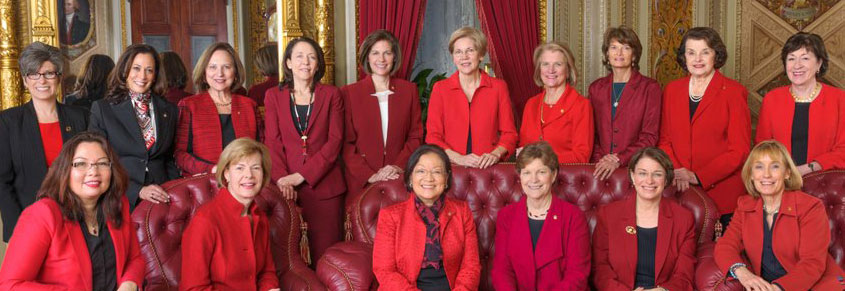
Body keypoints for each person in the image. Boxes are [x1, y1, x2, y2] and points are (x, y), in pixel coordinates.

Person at [0, 131, 144, 290]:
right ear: (65, 170)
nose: (93, 172)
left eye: (102, 163)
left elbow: (135, 258)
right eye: (81, 164)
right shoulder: (42, 214)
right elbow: (10, 285)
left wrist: (129, 284)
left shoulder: (118, 205)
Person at [715, 140, 845, 290]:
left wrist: (777, 288)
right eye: (759, 167)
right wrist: (742, 273)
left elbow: (812, 264)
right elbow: (725, 245)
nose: (766, 174)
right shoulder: (745, 206)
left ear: (787, 173)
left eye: (775, 166)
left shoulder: (810, 207)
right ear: (751, 174)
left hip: (815, 285)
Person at [658, 27, 751, 227]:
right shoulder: (672, 91)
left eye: (705, 52)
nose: (697, 59)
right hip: (679, 189)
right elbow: (664, 140)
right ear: (684, 57)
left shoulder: (734, 92)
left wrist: (698, 176)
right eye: (691, 53)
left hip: (722, 195)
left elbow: (739, 150)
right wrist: (678, 171)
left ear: (716, 55)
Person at [264, 37, 345, 264]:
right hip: (286, 190)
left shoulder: (331, 95)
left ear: (318, 64)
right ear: (288, 63)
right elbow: (273, 141)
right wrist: (282, 180)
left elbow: (335, 142)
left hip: (325, 188)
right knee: (289, 259)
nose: (305, 62)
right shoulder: (273, 96)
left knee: (326, 258)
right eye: (299, 56)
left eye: (312, 57)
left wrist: (301, 176)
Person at [0, 42, 88, 243]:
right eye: (34, 74)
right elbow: (2, 182)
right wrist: (18, 229)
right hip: (28, 223)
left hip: (76, 219)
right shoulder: (8, 122)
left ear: (58, 77)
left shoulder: (80, 118)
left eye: (49, 73)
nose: (42, 80)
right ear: (25, 80)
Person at [372, 144, 481, 290]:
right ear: (410, 177)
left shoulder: (462, 212)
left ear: (446, 178)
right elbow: (385, 271)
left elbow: (471, 267)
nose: (429, 178)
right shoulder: (390, 216)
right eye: (421, 171)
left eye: (436, 172)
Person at [180, 138, 280, 291]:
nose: (249, 175)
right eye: (240, 168)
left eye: (256, 168)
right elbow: (193, 288)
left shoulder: (260, 218)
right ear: (226, 174)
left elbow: (267, 272)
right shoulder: (205, 221)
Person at [592, 147, 697, 290]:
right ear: (632, 176)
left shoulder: (684, 219)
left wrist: (663, 290)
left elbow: (684, 275)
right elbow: (600, 269)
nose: (649, 181)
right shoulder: (608, 215)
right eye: (642, 173)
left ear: (666, 179)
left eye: (657, 174)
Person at [89, 44, 179, 208]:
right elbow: (98, 161)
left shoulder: (169, 110)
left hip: (163, 196)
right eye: (136, 68)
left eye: (149, 70)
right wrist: (137, 190)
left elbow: (169, 159)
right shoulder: (103, 109)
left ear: (155, 75)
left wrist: (173, 189)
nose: (142, 76)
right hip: (121, 197)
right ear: (125, 70)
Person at [491, 141, 590, 290]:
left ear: (554, 174)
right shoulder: (506, 216)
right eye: (527, 173)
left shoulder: (574, 217)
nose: (534, 180)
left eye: (541, 172)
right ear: (520, 177)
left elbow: (577, 275)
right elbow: (502, 271)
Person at [342, 30, 423, 198]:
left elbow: (415, 136)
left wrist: (397, 166)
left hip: (399, 178)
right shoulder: (349, 93)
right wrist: (369, 175)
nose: (381, 59)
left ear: (394, 57)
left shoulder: (409, 90)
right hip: (362, 182)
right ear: (367, 57)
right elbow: (346, 144)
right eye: (375, 53)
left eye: (387, 53)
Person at [426, 27, 518, 169]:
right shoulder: (440, 89)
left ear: (481, 55)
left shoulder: (498, 87)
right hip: (451, 168)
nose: (464, 57)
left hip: (488, 169)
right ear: (453, 57)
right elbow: (433, 137)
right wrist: (459, 159)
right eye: (458, 52)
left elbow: (510, 134)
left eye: (470, 50)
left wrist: (495, 154)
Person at [755, 32, 845, 175]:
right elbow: (763, 147)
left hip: (824, 181)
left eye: (805, 58)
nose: (797, 65)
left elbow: (843, 150)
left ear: (819, 63)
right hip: (781, 180)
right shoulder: (772, 99)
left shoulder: (840, 99)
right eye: (791, 59)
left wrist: (808, 168)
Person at [175, 42, 261, 176]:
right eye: (212, 67)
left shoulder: (249, 105)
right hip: (206, 183)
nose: (219, 73)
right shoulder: (189, 106)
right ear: (204, 73)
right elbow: (179, 154)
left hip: (245, 181)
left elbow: (261, 148)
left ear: (236, 73)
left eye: (226, 67)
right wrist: (212, 170)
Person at [590, 26, 662, 180]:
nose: (619, 53)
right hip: (599, 168)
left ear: (634, 55)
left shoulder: (650, 88)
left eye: (626, 48)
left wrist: (619, 159)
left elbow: (649, 137)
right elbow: (592, 134)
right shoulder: (596, 88)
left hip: (635, 168)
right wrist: (601, 160)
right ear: (607, 53)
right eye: (614, 47)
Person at [519, 42, 593, 163]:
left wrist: (542, 161)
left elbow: (581, 156)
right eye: (545, 64)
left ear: (568, 70)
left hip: (566, 178)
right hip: (532, 179)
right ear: (539, 69)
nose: (551, 70)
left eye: (558, 64)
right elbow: (523, 149)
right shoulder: (531, 104)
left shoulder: (581, 105)